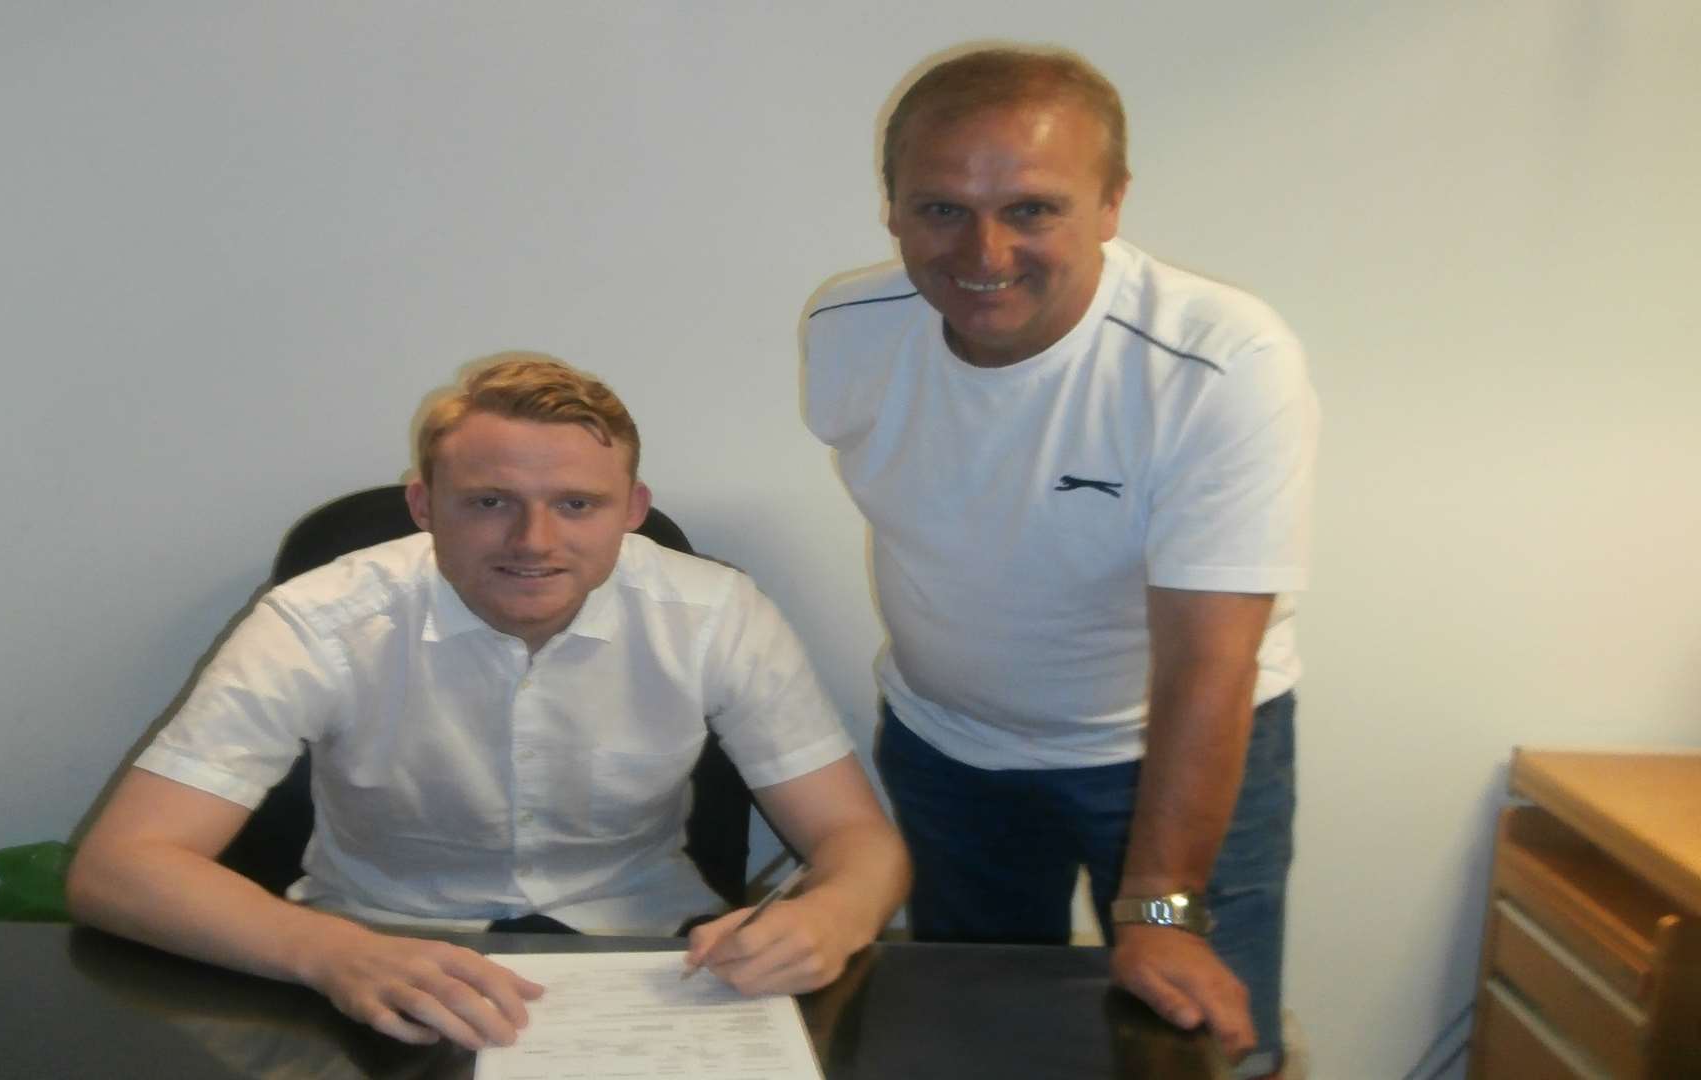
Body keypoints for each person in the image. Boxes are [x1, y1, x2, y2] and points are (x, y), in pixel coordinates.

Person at [69, 354, 909, 1053]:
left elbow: (856, 842)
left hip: (648, 964)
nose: (534, 542)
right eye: (489, 502)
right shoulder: (321, 620)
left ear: (632, 513)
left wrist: (832, 915)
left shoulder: (717, 614)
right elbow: (119, 868)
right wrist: (329, 954)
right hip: (375, 948)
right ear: (424, 506)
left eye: (576, 505)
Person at [800, 47, 1318, 1077]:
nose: (984, 250)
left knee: (1202, 1041)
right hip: (953, 755)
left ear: (1112, 203)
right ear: (893, 210)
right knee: (976, 1046)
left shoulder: (1222, 362)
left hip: (1169, 747)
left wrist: (1160, 910)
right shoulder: (845, 331)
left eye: (1033, 209)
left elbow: (1209, 663)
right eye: (941, 209)